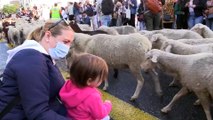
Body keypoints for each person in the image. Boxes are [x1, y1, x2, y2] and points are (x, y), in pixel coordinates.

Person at [0, 19, 74, 119]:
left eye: (70, 43)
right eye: (65, 42)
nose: (67, 47)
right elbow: (38, 112)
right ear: (48, 36)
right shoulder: (31, 60)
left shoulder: (44, 57)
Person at [59, 53, 112, 120]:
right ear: (89, 81)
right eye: (101, 79)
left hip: (70, 116)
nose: (102, 80)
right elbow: (100, 115)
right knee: (106, 117)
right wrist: (108, 105)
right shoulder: (92, 96)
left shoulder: (68, 83)